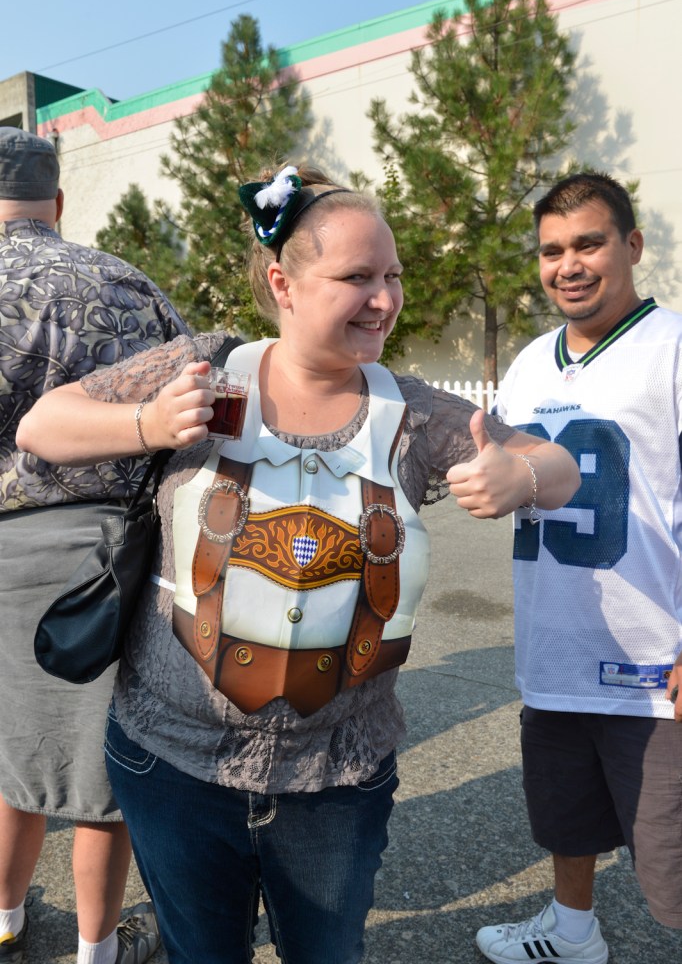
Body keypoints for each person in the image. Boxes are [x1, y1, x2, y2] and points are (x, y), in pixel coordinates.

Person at [17, 163, 580, 964]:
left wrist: (519, 475)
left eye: (393, 275)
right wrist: (149, 420)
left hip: (337, 779)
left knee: (327, 952)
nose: (385, 298)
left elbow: (559, 465)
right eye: (356, 277)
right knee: (201, 953)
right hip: (172, 762)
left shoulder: (412, 412)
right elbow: (43, 425)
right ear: (283, 281)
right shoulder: (206, 370)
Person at [475, 172, 682, 964]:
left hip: (652, 666)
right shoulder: (532, 362)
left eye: (589, 243)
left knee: (667, 861)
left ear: (631, 245)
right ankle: (572, 934)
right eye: (552, 250)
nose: (569, 264)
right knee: (566, 820)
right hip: (555, 651)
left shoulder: (671, 349)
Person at [0, 126, 191, 964]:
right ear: (60, 202)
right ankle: (97, 948)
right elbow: (193, 409)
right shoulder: (123, 281)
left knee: (10, 755)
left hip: (4, 552)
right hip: (108, 559)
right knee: (97, 775)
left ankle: (3, 922)